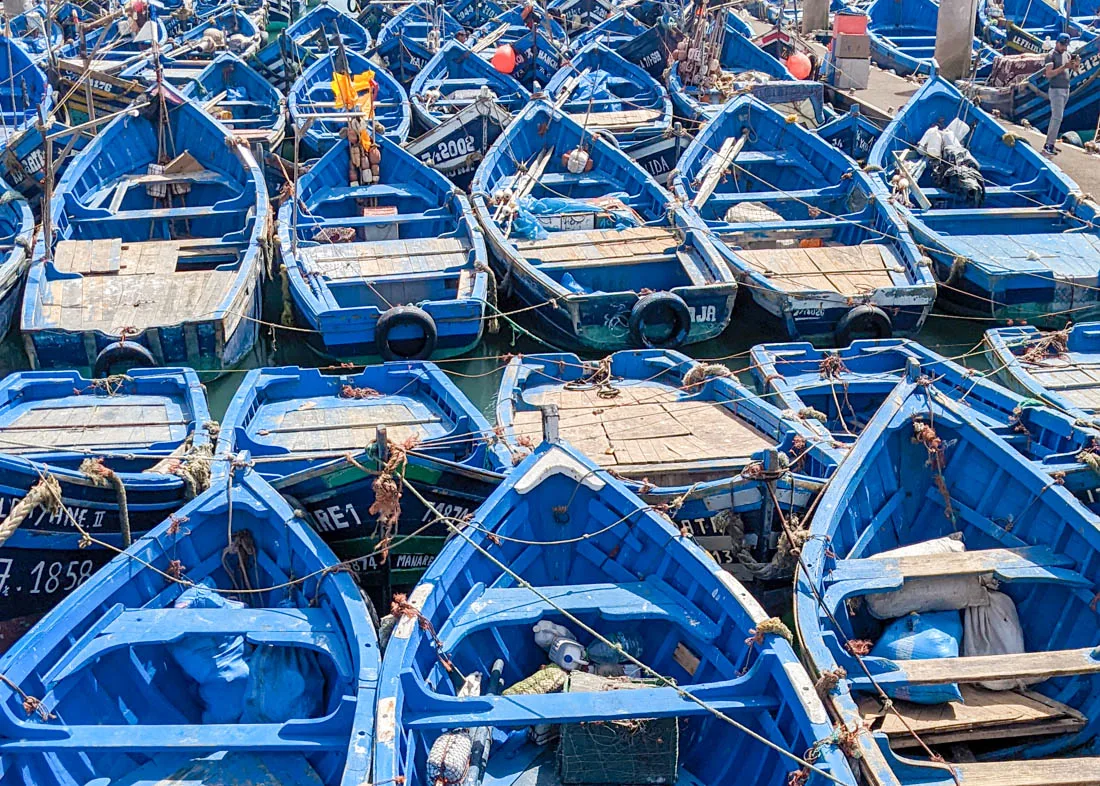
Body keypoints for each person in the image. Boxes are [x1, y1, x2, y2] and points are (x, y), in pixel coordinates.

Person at [1043, 32, 1080, 156]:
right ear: (1057, 43)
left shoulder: (1067, 54)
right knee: (1056, 117)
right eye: (1062, 45)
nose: (1064, 47)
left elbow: (1075, 69)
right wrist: (1064, 67)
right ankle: (1049, 145)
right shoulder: (1050, 56)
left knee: (1059, 118)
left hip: (1066, 89)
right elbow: (1049, 74)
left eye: (1066, 45)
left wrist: (1076, 64)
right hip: (1056, 89)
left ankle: (1051, 142)